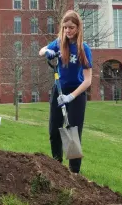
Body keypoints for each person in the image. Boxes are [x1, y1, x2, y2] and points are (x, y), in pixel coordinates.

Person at [39, 10, 92, 174]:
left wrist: (71, 97)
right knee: (54, 128)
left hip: (76, 93)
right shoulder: (60, 42)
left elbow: (88, 80)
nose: (68, 31)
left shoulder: (83, 49)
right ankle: (57, 166)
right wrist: (47, 51)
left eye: (71, 27)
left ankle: (74, 172)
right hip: (59, 89)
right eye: (65, 27)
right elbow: (42, 50)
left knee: (73, 131)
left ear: (78, 28)